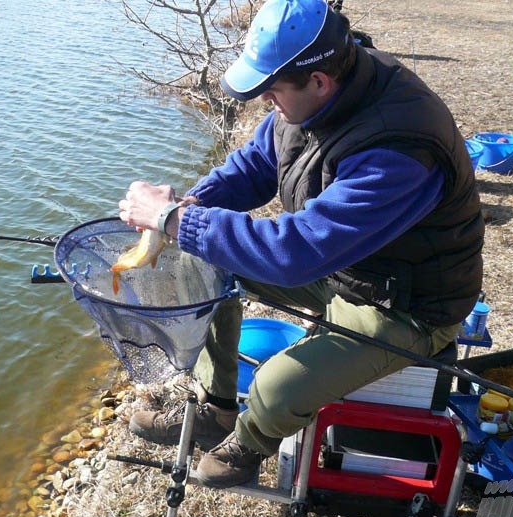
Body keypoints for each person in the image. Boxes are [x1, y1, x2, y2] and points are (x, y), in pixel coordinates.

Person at [118, 0, 483, 489]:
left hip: (403, 304)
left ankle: (248, 443)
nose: (267, 100)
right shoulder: (312, 96)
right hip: (344, 267)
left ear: (318, 82)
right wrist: (187, 208)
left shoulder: (398, 147)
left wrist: (172, 218)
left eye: (272, 90)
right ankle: (218, 406)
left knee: (273, 387)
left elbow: (296, 252)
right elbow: (251, 167)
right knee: (203, 259)